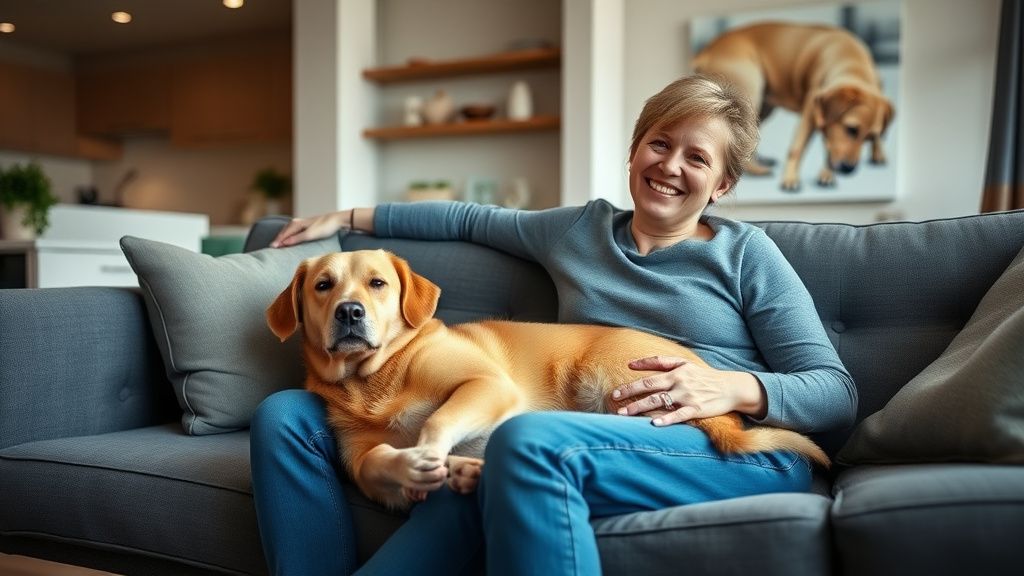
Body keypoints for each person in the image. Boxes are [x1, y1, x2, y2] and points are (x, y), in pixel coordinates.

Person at [250, 74, 857, 575]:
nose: (670, 165)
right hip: (593, 431)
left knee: (522, 440)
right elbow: (468, 218)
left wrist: (728, 387)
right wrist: (348, 215)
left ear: (722, 184)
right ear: (634, 150)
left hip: (729, 445)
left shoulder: (746, 255)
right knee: (292, 414)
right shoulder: (578, 231)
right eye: (659, 143)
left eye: (697, 158)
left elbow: (836, 392)